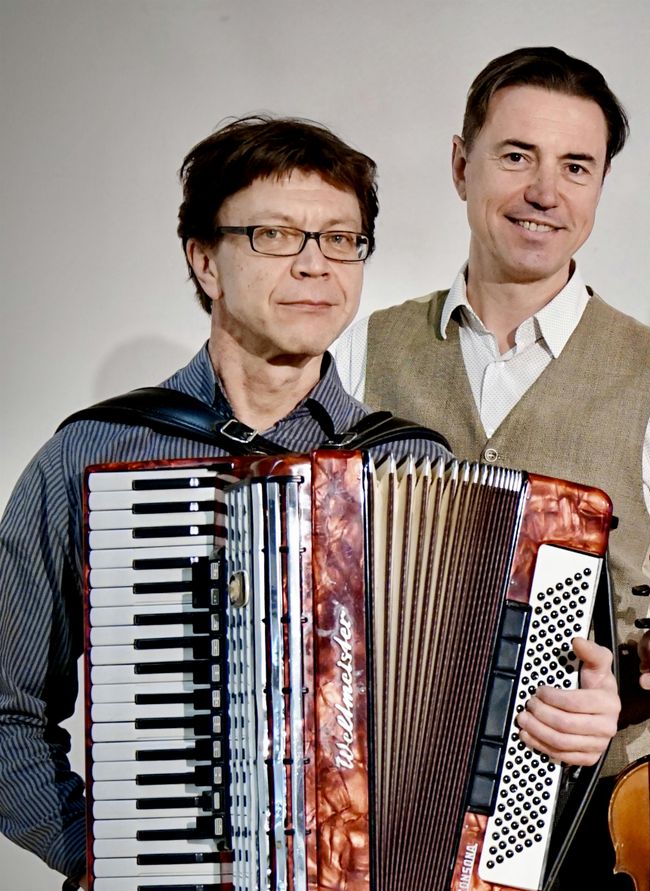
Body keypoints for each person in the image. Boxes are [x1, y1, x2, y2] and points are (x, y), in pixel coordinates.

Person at [0, 115, 451, 889]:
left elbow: (468, 719)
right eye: (275, 235)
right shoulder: (90, 454)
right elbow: (7, 707)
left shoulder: (411, 469)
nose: (315, 264)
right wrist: (96, 849)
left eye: (340, 238)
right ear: (205, 260)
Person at [334, 47, 650, 775]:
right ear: (461, 166)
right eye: (517, 156)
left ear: (599, 186)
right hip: (386, 776)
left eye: (576, 167)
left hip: (591, 806)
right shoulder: (361, 348)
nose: (545, 192)